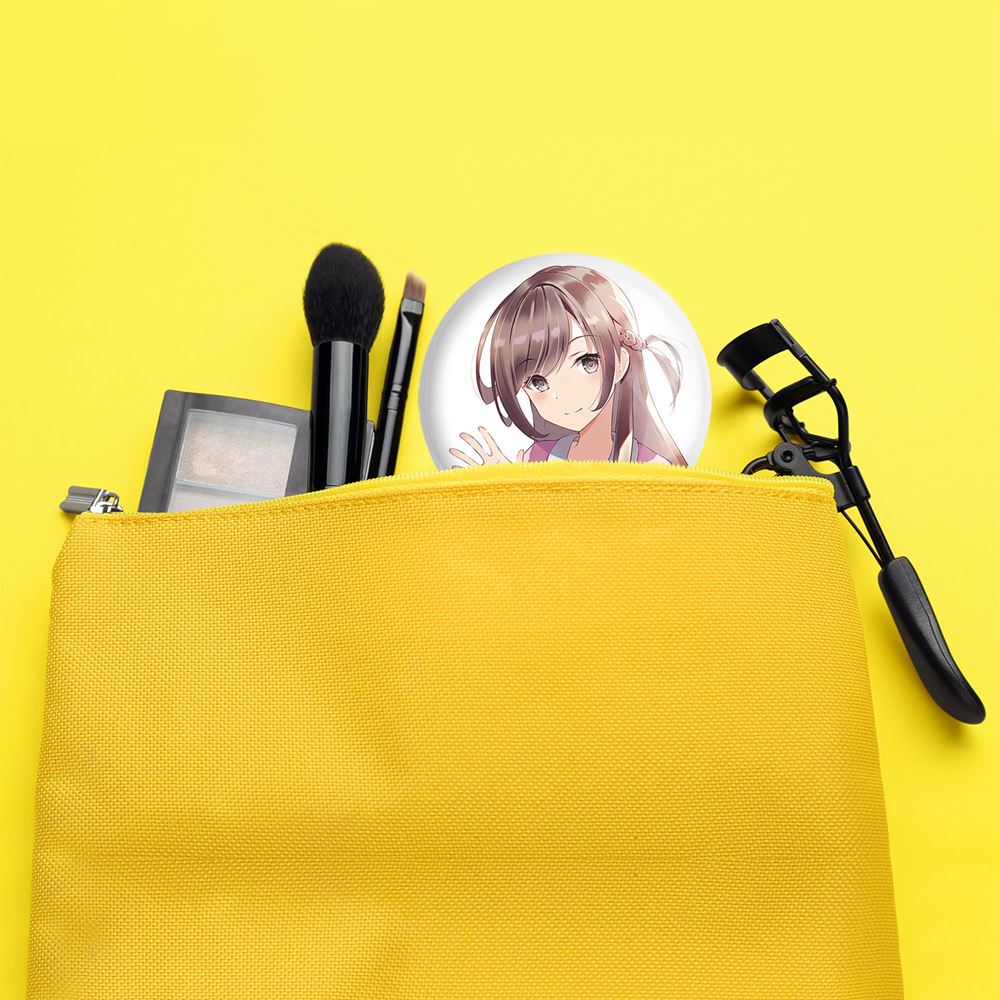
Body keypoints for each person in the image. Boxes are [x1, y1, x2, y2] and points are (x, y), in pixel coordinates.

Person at [449, 265, 687, 466]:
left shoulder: (651, 467)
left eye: (586, 362)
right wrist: (510, 488)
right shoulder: (538, 457)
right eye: (537, 382)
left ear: (621, 363)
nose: (562, 395)